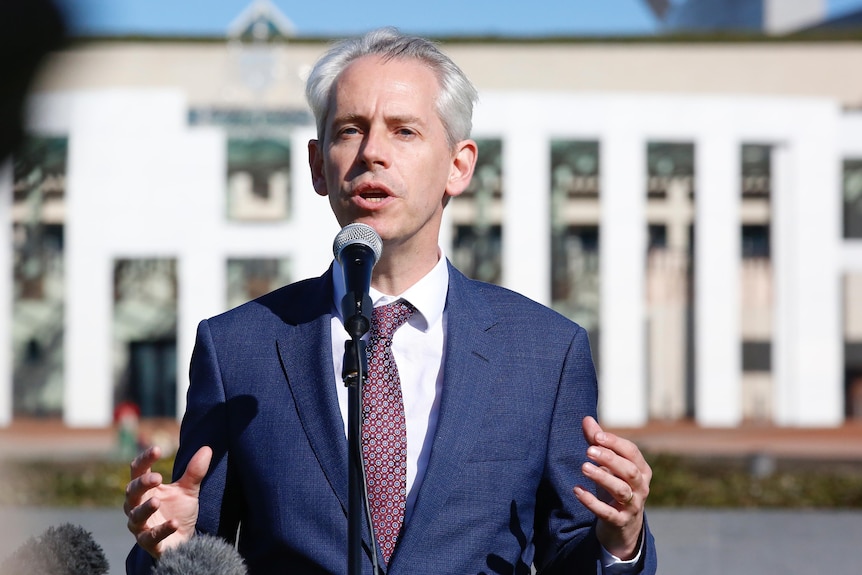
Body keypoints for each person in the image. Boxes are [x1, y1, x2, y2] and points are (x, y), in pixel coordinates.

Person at [124, 28, 657, 574]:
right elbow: (195, 545)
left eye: (404, 131)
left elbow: (570, 552)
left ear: (459, 165)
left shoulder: (545, 353)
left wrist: (621, 541)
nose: (372, 153)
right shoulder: (237, 348)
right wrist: (172, 549)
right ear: (316, 165)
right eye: (349, 130)